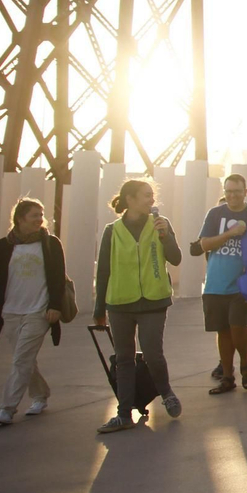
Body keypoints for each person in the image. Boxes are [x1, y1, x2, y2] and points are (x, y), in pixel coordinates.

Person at [0, 197, 68, 426]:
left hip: (38, 311)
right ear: (20, 219)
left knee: (21, 359)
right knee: (25, 359)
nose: (40, 219)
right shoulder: (4, 245)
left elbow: (58, 277)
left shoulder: (50, 244)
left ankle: (6, 409)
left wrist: (55, 307)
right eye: (34, 215)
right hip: (10, 311)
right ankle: (40, 395)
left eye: (41, 215)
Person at [92, 179, 183, 432]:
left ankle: (166, 394)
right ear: (129, 199)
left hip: (154, 301)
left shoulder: (160, 224)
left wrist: (165, 236)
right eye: (146, 195)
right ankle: (123, 414)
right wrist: (100, 309)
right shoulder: (113, 230)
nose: (151, 200)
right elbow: (104, 271)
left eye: (152, 195)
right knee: (124, 358)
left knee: (153, 353)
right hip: (120, 303)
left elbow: (175, 258)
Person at [193, 173, 247, 395]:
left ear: (246, 192)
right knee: (222, 330)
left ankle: (245, 364)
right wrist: (231, 233)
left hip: (242, 285)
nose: (232, 195)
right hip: (215, 282)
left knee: (237, 325)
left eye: (237, 191)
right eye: (228, 191)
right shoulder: (215, 214)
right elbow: (204, 244)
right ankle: (227, 376)